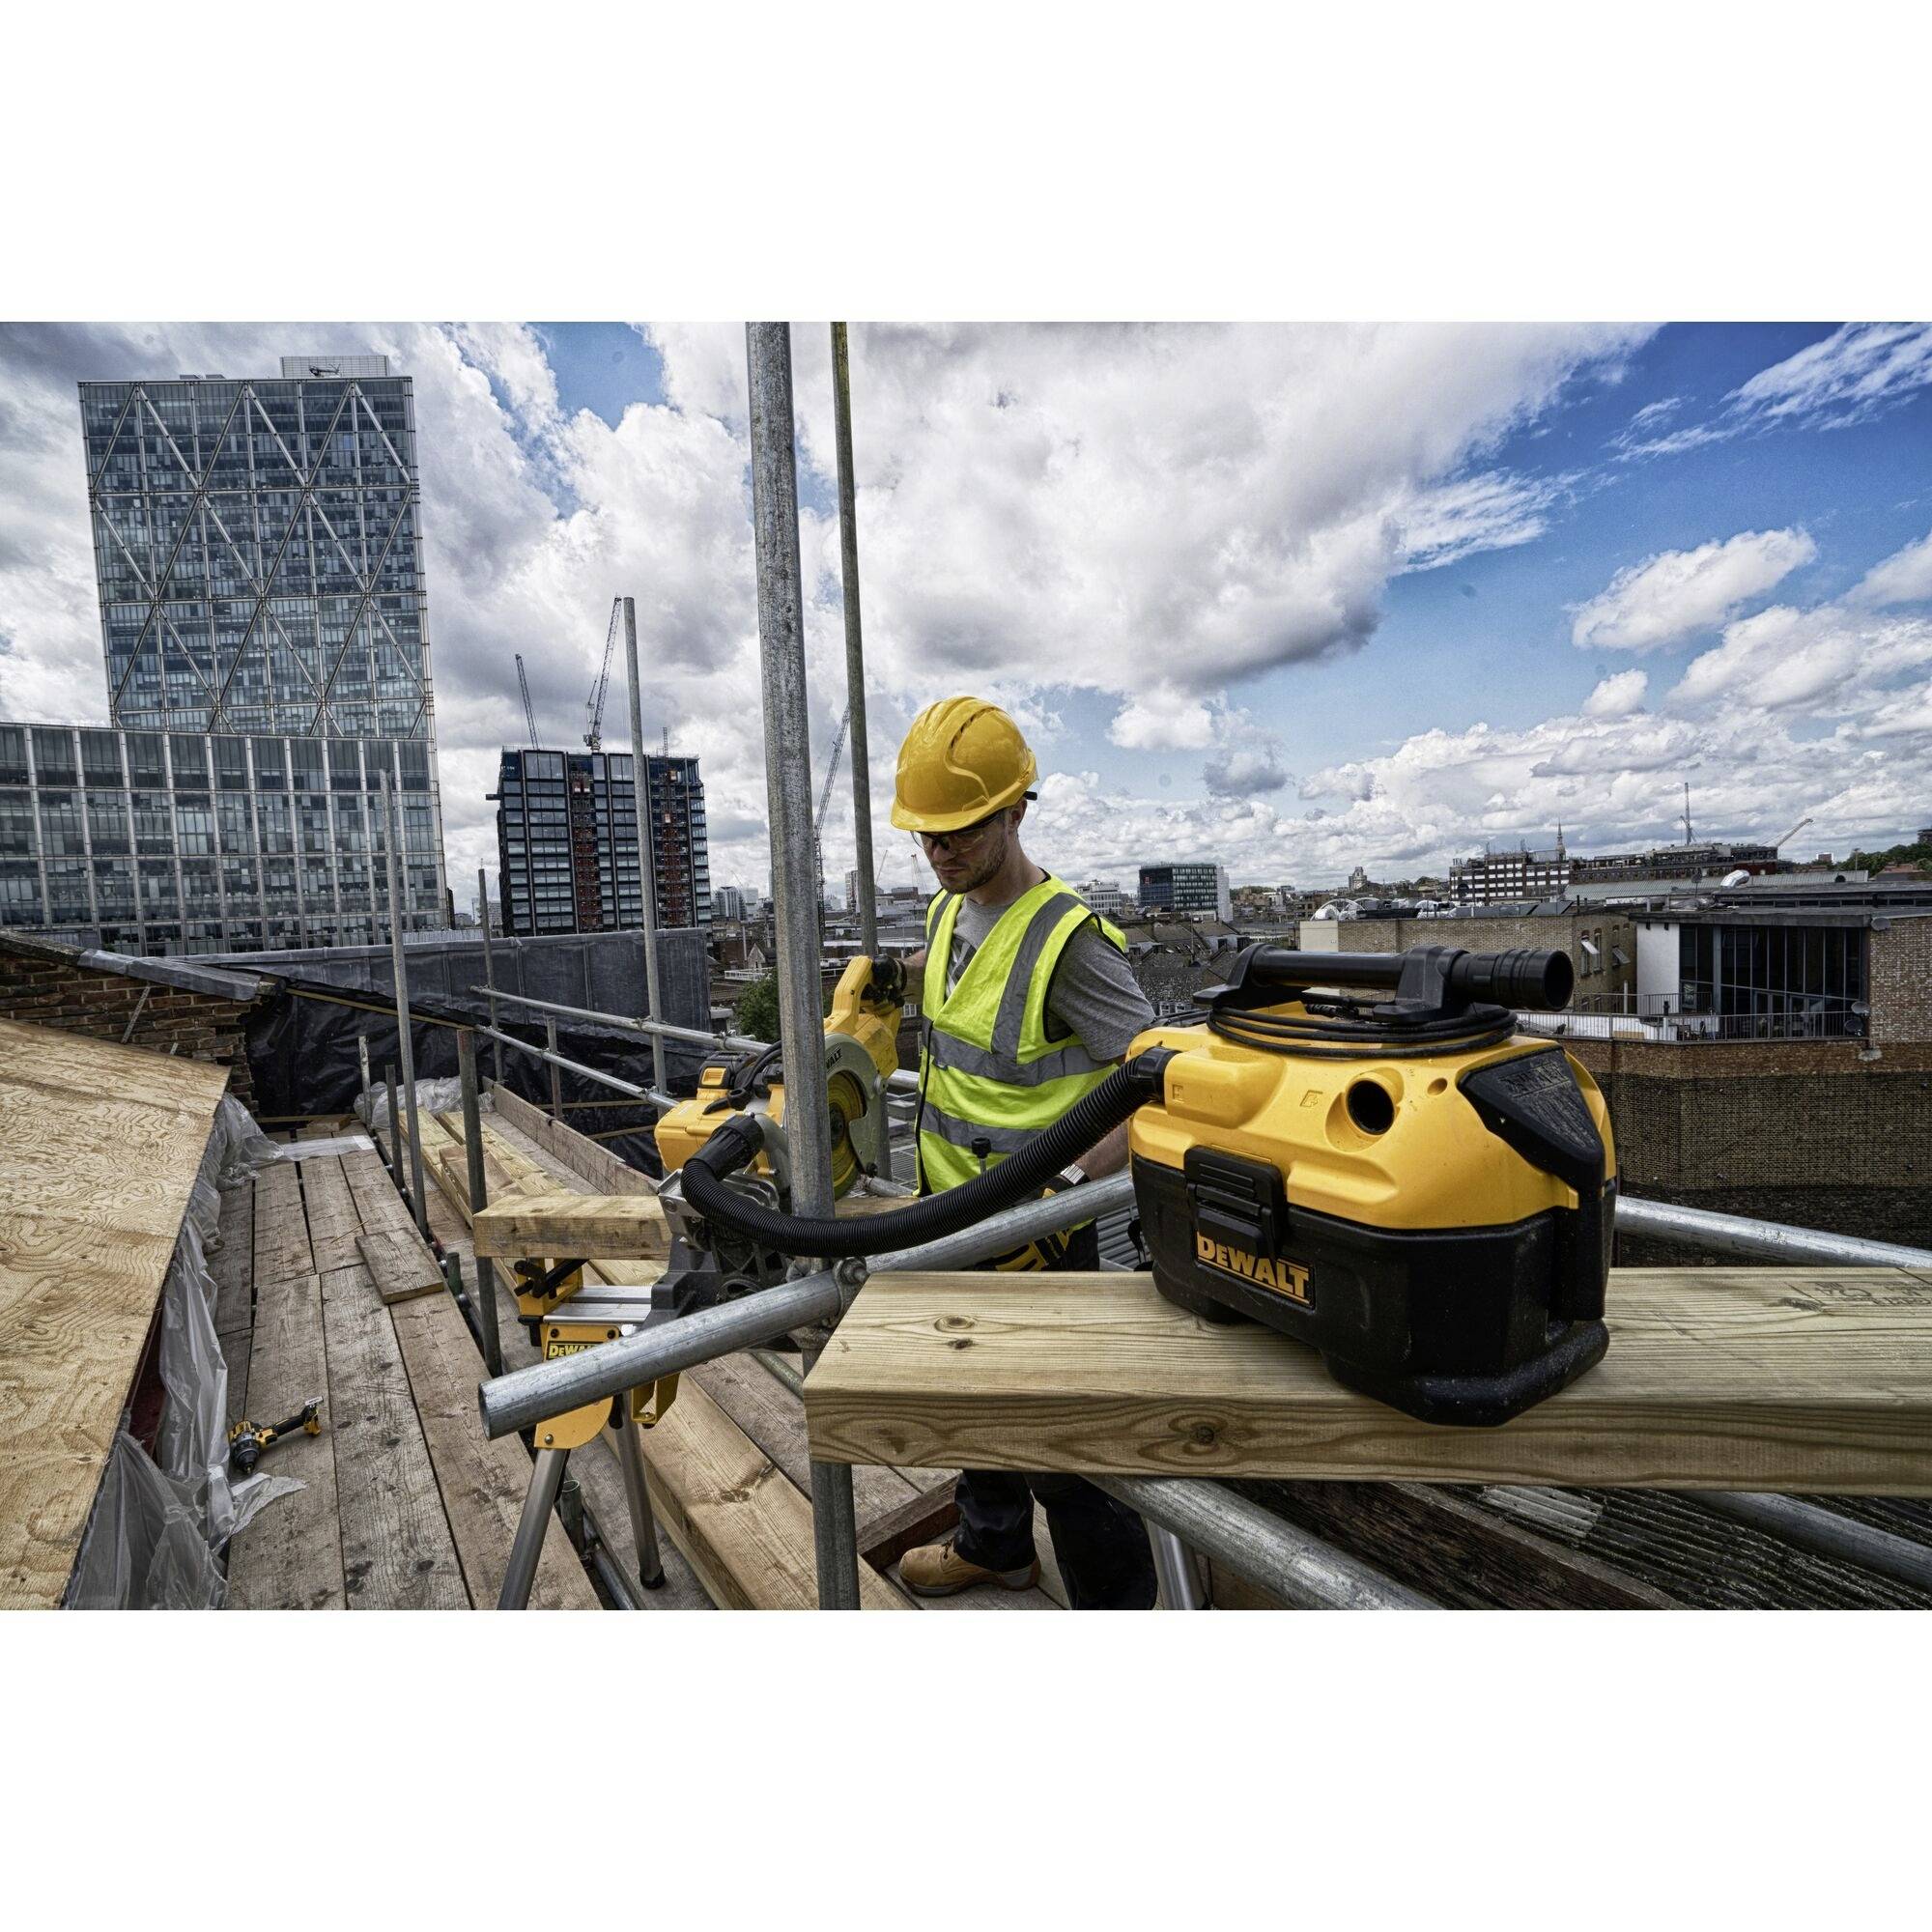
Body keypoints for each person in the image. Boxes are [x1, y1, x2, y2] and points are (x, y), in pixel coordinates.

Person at [890, 696, 1159, 1610]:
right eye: (927, 835)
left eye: (961, 830)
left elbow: (1155, 1082)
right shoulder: (942, 917)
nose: (942, 851)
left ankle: (1116, 1613)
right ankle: (994, 1548)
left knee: (1066, 1450)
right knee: (974, 1403)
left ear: (1014, 810)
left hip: (1042, 1241)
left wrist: (1067, 1194)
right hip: (955, 1217)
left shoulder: (1069, 941)